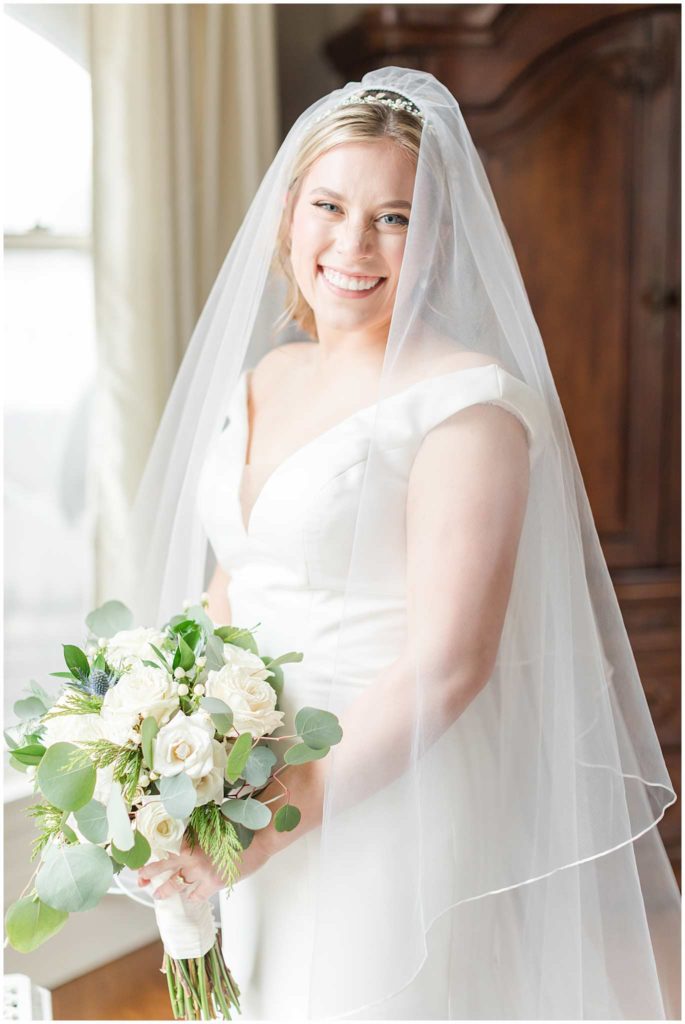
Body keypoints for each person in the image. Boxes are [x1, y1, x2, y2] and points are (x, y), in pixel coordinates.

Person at [130, 68, 680, 1019]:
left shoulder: (467, 404)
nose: (353, 244)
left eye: (394, 218)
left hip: (386, 793)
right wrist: (165, 746)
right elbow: (234, 583)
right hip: (248, 788)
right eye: (329, 206)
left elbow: (449, 664)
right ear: (287, 215)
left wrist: (281, 813)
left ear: (438, 240)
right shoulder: (266, 377)